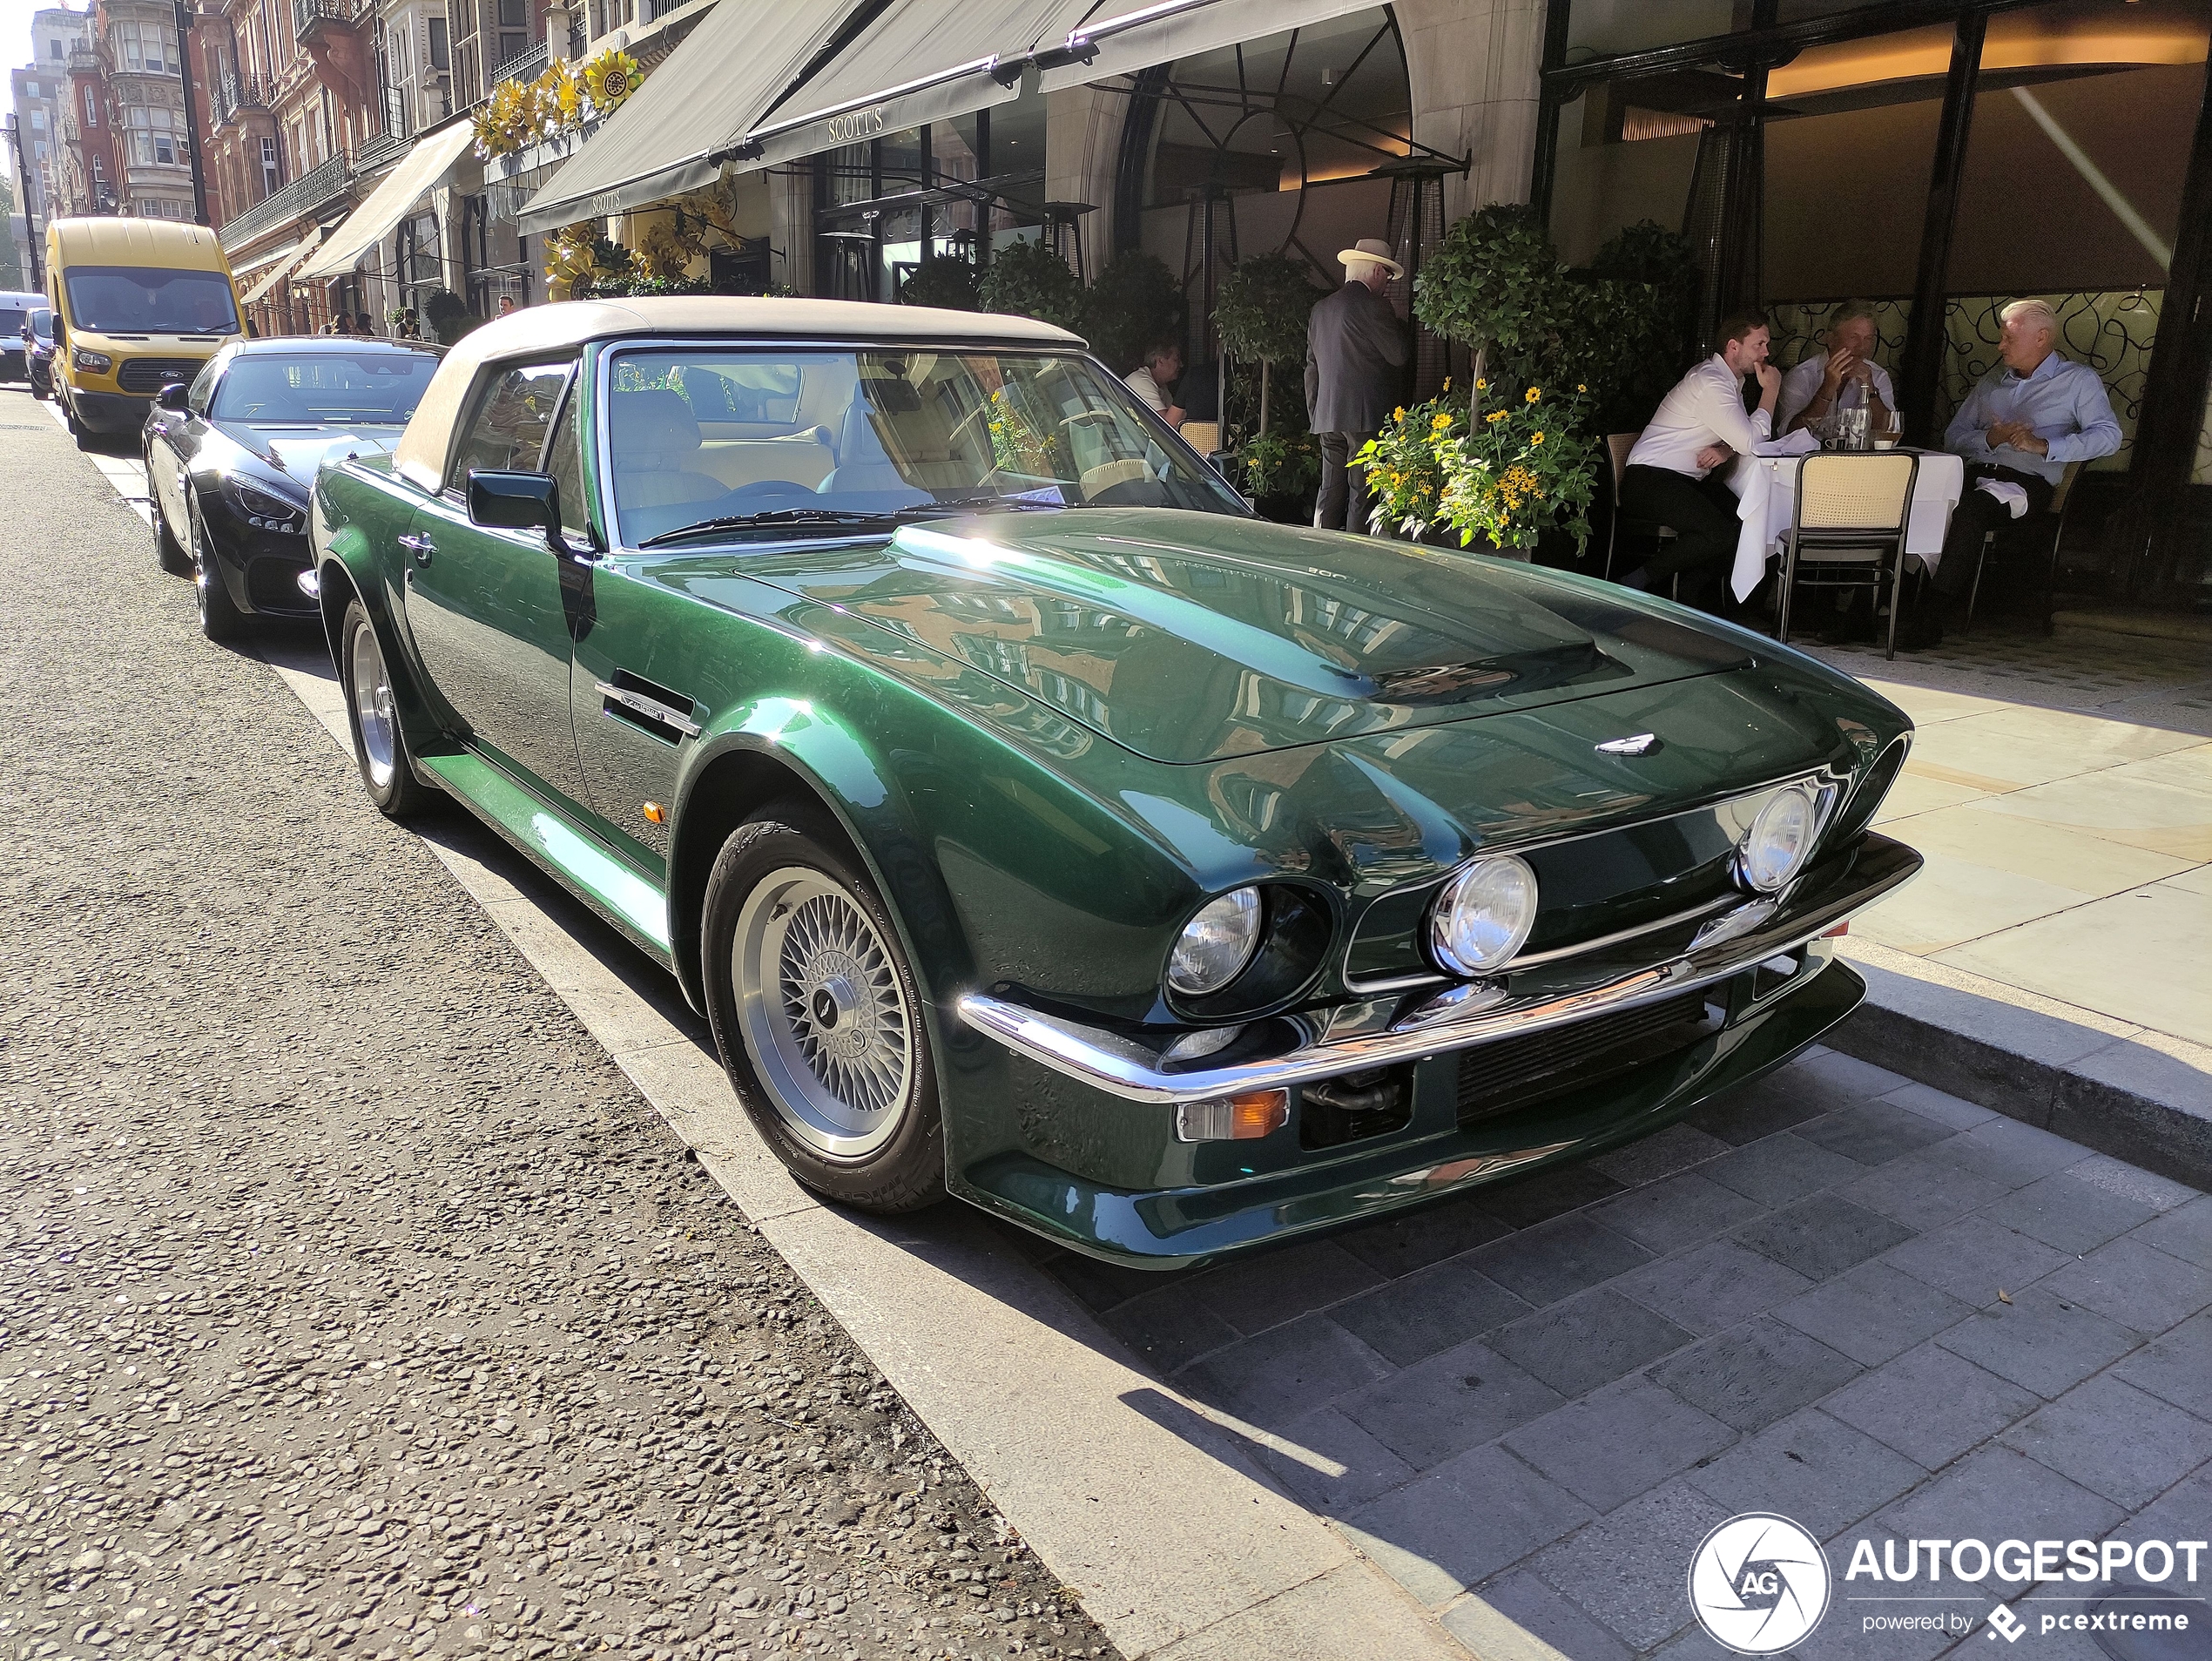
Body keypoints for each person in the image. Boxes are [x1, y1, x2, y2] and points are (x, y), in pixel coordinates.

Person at [1901, 298, 2121, 647]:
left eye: (2008, 337)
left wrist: (2046, 447)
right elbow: (1953, 438)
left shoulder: (2077, 381)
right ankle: (1871, 609)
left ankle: (1931, 617)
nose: (2000, 345)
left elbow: (2109, 437)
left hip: (2025, 484)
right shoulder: (1992, 381)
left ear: (2041, 337)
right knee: (1908, 502)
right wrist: (1990, 438)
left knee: (1971, 510)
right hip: (1971, 475)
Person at [1618, 309, 1819, 606]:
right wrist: (1771, 392)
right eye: (1759, 345)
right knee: (1719, 533)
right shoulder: (1711, 382)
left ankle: (1691, 594)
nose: (1766, 353)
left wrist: (1726, 448)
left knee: (1747, 521)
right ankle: (1635, 583)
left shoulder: (1729, 382)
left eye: (1767, 344)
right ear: (1733, 346)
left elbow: (1738, 436)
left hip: (1682, 481)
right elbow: (1751, 442)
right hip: (1650, 480)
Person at [1305, 237, 1410, 532]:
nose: (1387, 283)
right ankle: (1355, 562)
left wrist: (1316, 412)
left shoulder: (1320, 308)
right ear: (1377, 272)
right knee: (1361, 496)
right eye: (1387, 276)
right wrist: (1399, 320)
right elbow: (1399, 356)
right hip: (1364, 416)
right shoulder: (1375, 307)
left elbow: (1311, 369)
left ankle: (1320, 550)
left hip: (1326, 415)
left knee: (1329, 492)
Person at [1777, 301, 1895, 438]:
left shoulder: (1878, 375)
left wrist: (1870, 389)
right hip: (1811, 458)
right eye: (1854, 337)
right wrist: (1827, 389)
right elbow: (1789, 436)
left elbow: (1889, 434)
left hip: (1861, 459)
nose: (1862, 347)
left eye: (1868, 339)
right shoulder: (1802, 375)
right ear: (1831, 339)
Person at [1124, 341, 1185, 429]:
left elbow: (1176, 418)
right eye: (1176, 360)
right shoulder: (1142, 382)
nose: (1181, 365)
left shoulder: (1161, 386)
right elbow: (1167, 427)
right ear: (1160, 361)